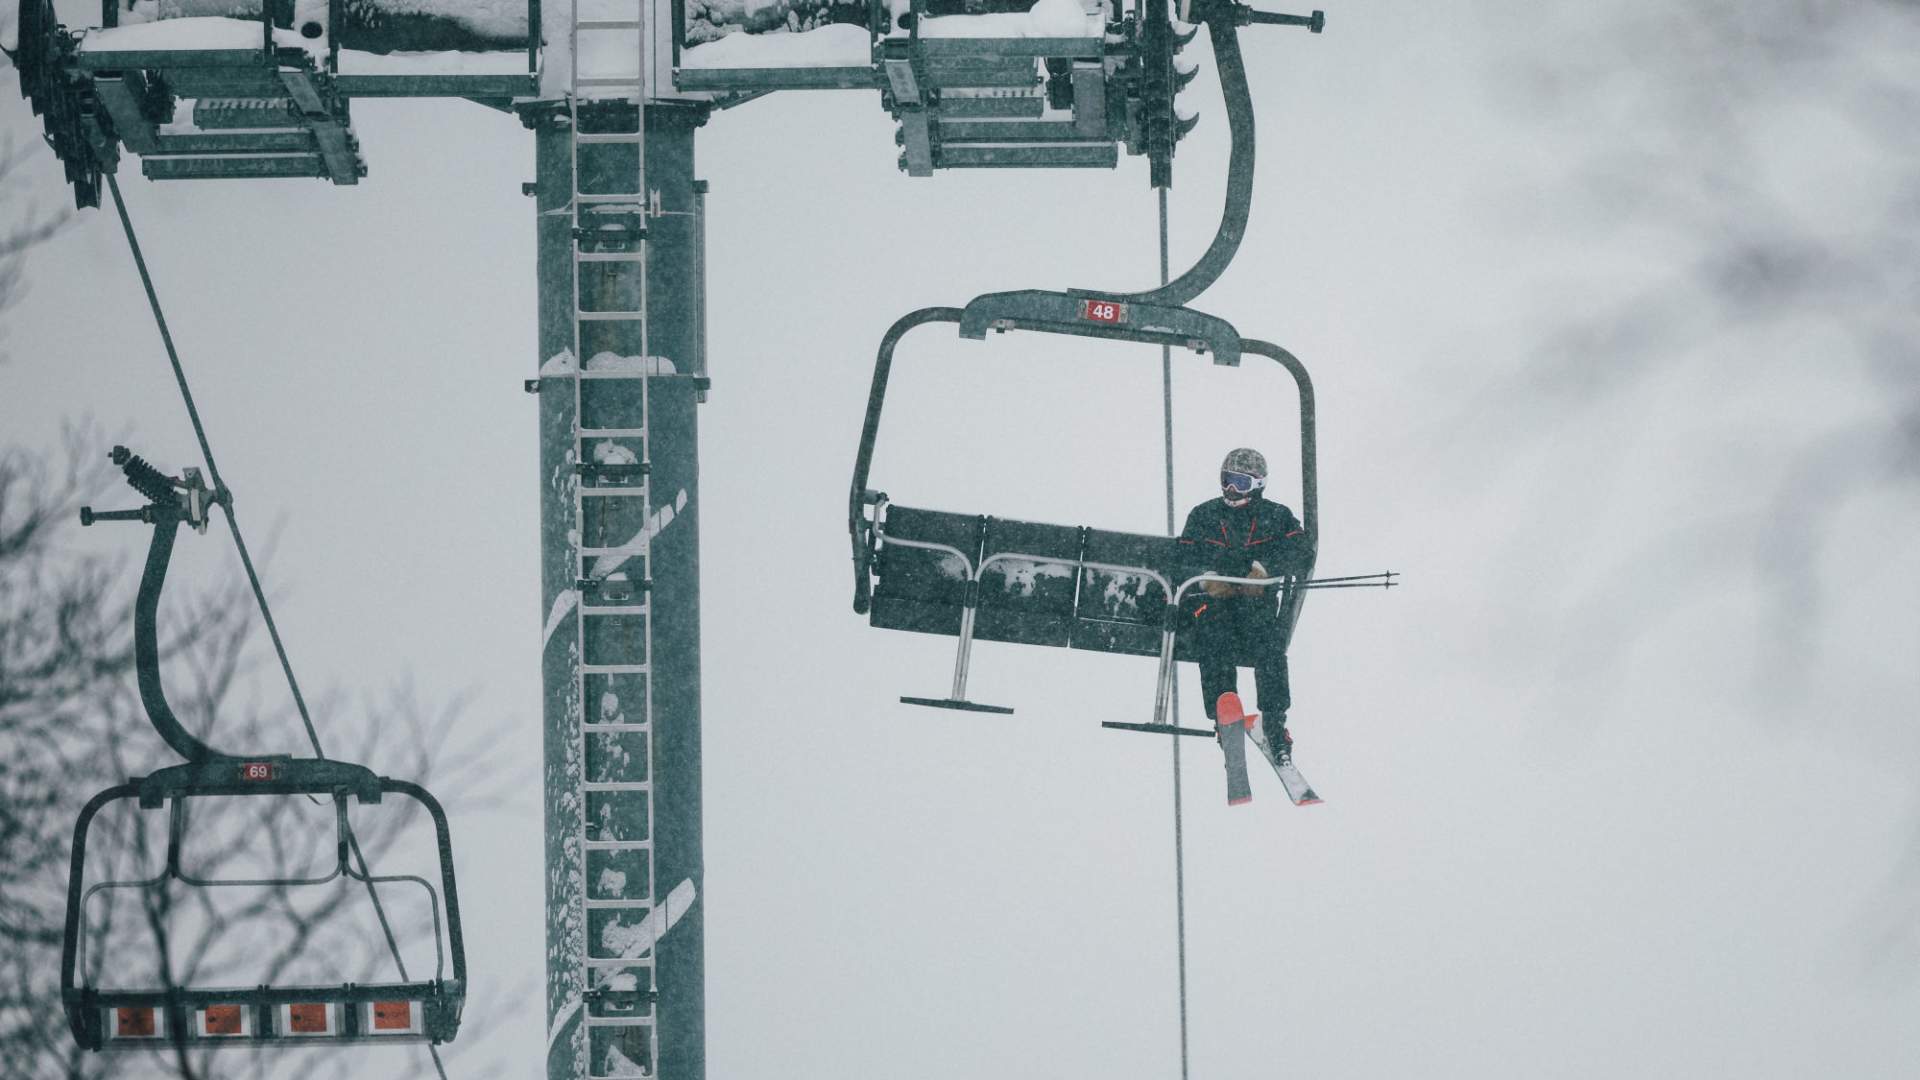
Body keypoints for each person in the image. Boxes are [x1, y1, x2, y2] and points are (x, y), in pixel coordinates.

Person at [1177, 447, 1313, 761]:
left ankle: (1274, 720)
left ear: (1257, 485)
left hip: (1255, 607)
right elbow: (1181, 556)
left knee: (1268, 641)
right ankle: (1225, 711)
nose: (1231, 490)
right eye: (1227, 480)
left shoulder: (1276, 517)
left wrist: (1264, 570)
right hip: (1212, 604)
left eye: (1239, 482)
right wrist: (1205, 578)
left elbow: (1301, 551)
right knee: (1213, 633)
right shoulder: (1204, 515)